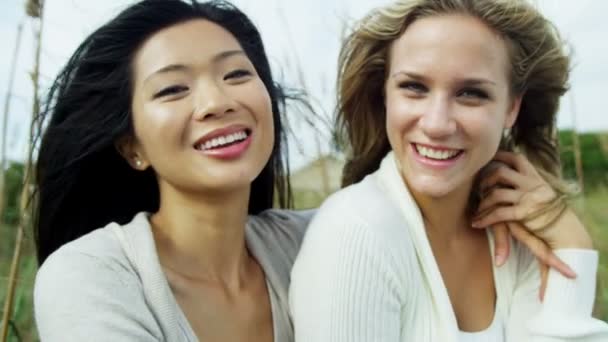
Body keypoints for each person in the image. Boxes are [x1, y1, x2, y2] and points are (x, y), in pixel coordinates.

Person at [289, 0, 608, 341]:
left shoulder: (523, 234)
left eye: (471, 93)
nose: (437, 124)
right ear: (385, 94)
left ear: (512, 108)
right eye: (414, 87)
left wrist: (573, 244)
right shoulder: (355, 231)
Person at [33, 0, 313, 341]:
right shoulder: (89, 275)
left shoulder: (317, 240)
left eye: (236, 73)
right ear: (132, 146)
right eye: (172, 89)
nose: (217, 102)